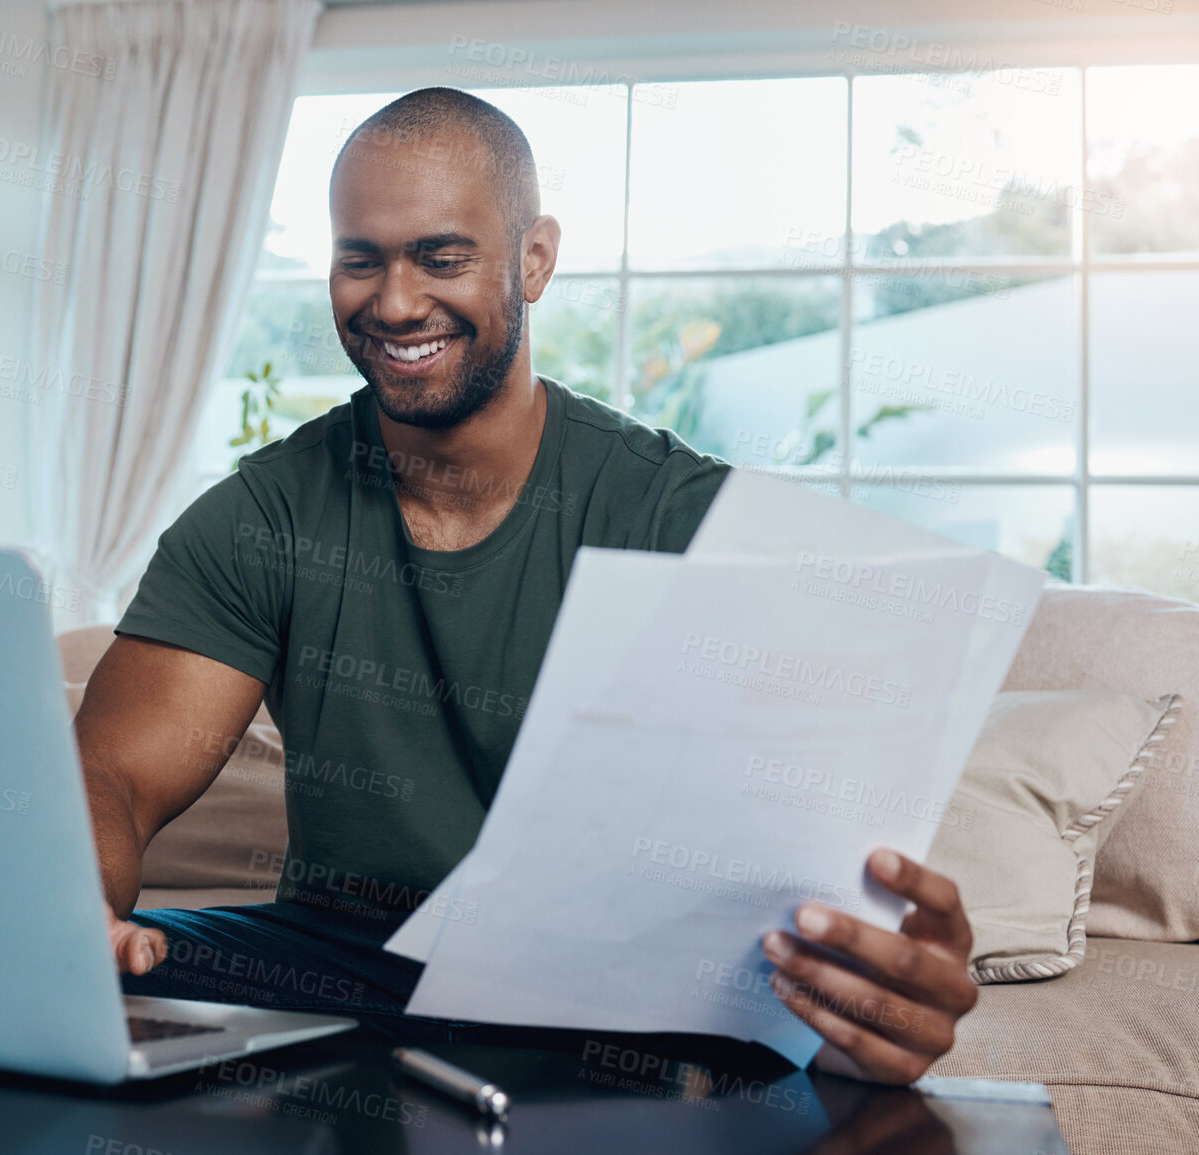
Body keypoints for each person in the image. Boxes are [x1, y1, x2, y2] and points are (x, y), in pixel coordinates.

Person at [74, 87, 977, 1085]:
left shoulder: (682, 520)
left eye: (443, 257)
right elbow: (110, 775)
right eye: (360, 259)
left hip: (607, 990)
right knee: (90, 979)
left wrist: (878, 983)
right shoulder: (265, 515)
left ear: (534, 259)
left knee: (786, 1064)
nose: (397, 302)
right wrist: (75, 910)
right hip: (344, 961)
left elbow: (806, 848)